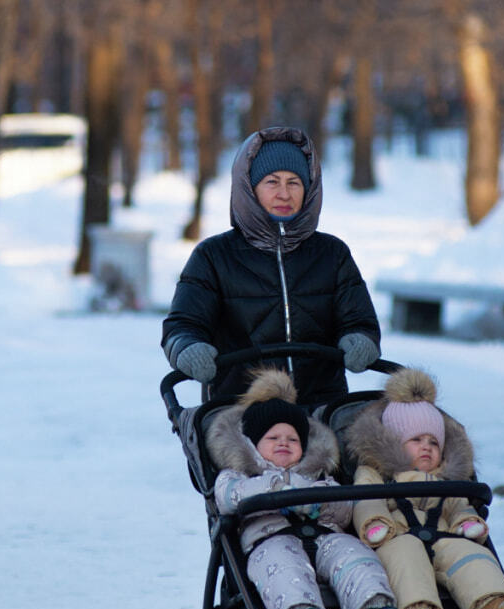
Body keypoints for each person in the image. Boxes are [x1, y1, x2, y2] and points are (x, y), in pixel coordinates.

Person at [162, 126, 381, 404]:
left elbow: (359, 320)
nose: (284, 194)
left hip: (321, 408)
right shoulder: (214, 256)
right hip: (242, 408)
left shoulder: (332, 254)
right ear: (249, 188)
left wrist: (360, 340)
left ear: (308, 188)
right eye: (272, 182)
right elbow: (182, 325)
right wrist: (188, 348)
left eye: (294, 182)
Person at [208, 367, 404, 609]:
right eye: (273, 439)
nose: (284, 443)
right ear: (252, 445)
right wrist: (278, 489)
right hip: (271, 540)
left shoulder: (319, 477)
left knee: (355, 556)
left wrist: (316, 495)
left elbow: (345, 512)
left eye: (293, 439)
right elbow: (228, 497)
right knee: (282, 567)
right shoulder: (240, 475)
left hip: (325, 536)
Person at [344, 367, 504, 609]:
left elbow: (459, 505)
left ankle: (492, 605)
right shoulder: (376, 473)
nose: (427, 447)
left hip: (445, 536)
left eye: (433, 442)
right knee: (406, 560)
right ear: (393, 443)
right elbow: (366, 499)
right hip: (397, 536)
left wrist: (466, 522)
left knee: (472, 556)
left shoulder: (444, 478)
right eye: (416, 440)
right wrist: (374, 523)